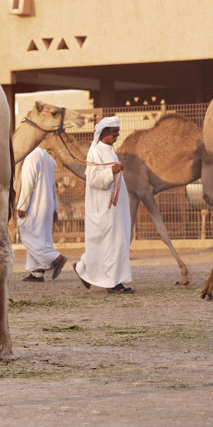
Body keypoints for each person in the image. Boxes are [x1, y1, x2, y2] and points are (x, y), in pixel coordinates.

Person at [73, 115, 133, 294]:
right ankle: (112, 284)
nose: (117, 135)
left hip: (115, 209)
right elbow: (93, 179)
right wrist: (111, 172)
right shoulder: (95, 151)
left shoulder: (110, 151)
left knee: (114, 244)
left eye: (118, 131)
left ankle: (85, 270)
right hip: (103, 208)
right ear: (104, 131)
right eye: (114, 131)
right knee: (109, 245)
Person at [16, 145, 66, 282]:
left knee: (28, 235)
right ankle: (37, 273)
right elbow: (52, 186)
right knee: (41, 237)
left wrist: (22, 206)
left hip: (34, 205)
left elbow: (28, 184)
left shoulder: (31, 157)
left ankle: (56, 258)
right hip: (47, 205)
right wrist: (54, 208)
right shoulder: (47, 157)